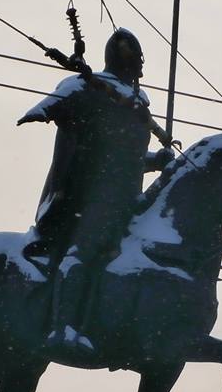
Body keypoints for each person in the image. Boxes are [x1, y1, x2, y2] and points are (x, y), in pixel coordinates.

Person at [17, 28, 174, 355]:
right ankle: (63, 329)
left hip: (129, 198)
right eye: (126, 55)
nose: (132, 63)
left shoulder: (138, 102)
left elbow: (126, 160)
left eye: (135, 56)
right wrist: (44, 111)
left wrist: (156, 160)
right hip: (92, 195)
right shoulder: (92, 86)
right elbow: (65, 101)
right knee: (82, 251)